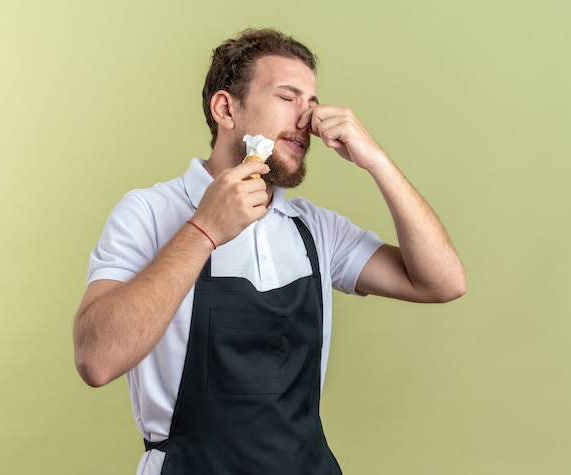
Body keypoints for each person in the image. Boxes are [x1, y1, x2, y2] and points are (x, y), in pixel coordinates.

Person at [73, 28, 466, 475]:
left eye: (313, 104)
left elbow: (444, 282)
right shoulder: (147, 212)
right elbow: (96, 359)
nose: (308, 119)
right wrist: (204, 229)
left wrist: (376, 160)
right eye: (288, 97)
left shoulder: (314, 228)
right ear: (225, 109)